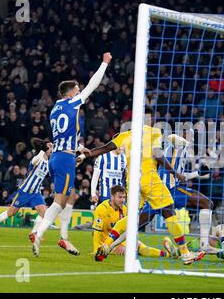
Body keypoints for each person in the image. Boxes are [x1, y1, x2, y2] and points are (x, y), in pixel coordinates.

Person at [77, 107, 205, 265]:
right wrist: (175, 173)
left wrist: (83, 155)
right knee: (169, 211)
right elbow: (157, 155)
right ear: (150, 119)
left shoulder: (125, 135)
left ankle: (107, 244)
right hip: (150, 179)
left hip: (132, 182)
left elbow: (103, 149)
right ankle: (185, 253)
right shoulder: (154, 132)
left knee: (132, 216)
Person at [30, 52, 112, 257]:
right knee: (59, 201)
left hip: (59, 155)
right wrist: (104, 64)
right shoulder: (72, 103)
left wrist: (78, 147)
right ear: (70, 94)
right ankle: (38, 234)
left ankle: (64, 238)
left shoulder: (54, 109)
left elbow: (63, 134)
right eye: (76, 90)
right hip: (65, 159)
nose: (79, 92)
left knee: (71, 196)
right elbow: (94, 85)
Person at [141, 133, 215, 252]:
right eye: (189, 135)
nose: (191, 139)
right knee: (139, 222)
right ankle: (113, 242)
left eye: (192, 137)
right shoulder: (175, 146)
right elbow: (171, 137)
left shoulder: (184, 152)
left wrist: (197, 173)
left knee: (207, 203)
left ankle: (204, 244)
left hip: (174, 190)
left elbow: (181, 176)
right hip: (161, 190)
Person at [0, 138, 52, 238]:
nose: (52, 148)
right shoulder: (37, 159)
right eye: (50, 146)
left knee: (44, 213)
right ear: (45, 149)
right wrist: (42, 149)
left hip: (36, 193)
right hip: (25, 191)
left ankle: (34, 233)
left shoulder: (48, 163)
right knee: (11, 213)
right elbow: (37, 158)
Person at [92, 185, 176, 261]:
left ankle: (169, 254)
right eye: (120, 197)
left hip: (120, 240)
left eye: (123, 197)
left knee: (141, 246)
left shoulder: (124, 209)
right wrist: (97, 250)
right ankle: (172, 253)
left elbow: (126, 230)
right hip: (107, 244)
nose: (122, 200)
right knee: (132, 251)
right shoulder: (102, 209)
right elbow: (96, 232)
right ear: (112, 197)